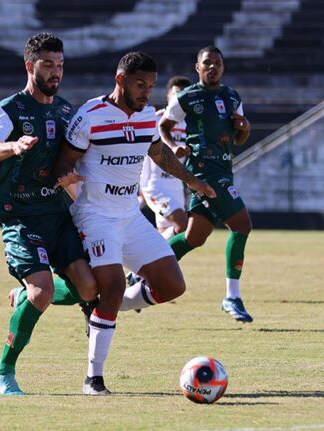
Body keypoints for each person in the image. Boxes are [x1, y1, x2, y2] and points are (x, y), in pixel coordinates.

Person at [56, 52, 215, 395]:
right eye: (140, 85)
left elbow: (159, 154)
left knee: (173, 285)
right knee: (110, 285)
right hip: (95, 215)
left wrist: (193, 181)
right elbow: (63, 162)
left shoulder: (146, 117)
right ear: (120, 80)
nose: (146, 93)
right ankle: (93, 378)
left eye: (152, 86)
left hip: (129, 215)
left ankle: (101, 308)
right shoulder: (90, 115)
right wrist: (68, 185)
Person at [0, 33, 97, 396]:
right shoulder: (10, 108)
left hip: (57, 213)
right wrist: (13, 146)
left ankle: (23, 295)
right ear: (30, 66)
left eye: (60, 65)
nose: (56, 72)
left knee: (89, 288)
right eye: (48, 65)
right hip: (21, 214)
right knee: (43, 291)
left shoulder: (65, 111)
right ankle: (2, 370)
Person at [159, 46, 254, 323]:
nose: (213, 67)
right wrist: (173, 145)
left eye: (217, 63)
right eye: (207, 63)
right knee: (242, 225)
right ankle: (232, 296)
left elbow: (238, 139)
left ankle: (144, 267)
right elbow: (163, 126)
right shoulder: (187, 97)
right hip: (204, 173)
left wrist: (245, 128)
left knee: (193, 238)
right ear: (197, 67)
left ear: (223, 68)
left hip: (225, 169)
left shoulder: (232, 96)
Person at [140, 75, 192, 239]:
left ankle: (155, 261)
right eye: (176, 94)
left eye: (183, 95)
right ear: (168, 96)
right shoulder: (156, 120)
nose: (179, 98)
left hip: (176, 185)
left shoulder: (191, 125)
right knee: (183, 225)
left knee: (168, 234)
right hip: (154, 185)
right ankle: (150, 256)